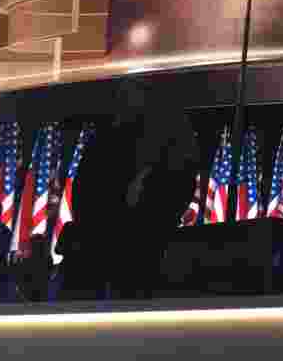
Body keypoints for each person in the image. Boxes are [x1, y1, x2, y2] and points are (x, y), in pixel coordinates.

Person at [76, 77, 199, 299]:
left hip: (140, 248)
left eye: (132, 94)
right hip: (101, 246)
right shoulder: (107, 140)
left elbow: (178, 184)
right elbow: (87, 191)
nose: (124, 100)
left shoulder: (166, 138)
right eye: (122, 95)